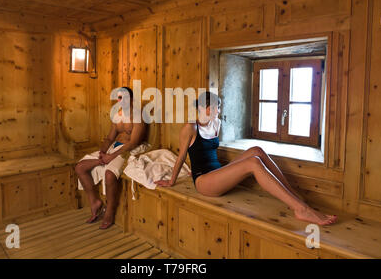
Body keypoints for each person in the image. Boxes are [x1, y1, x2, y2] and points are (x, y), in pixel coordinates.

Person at [155, 91, 337, 226]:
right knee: (253, 163)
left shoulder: (216, 123)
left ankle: (296, 200)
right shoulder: (190, 128)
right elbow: (181, 157)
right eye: (216, 107)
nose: (218, 111)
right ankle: (301, 209)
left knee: (256, 150)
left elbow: (209, 151)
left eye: (219, 107)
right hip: (204, 182)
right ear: (205, 108)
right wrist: (171, 181)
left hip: (218, 173)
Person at [75, 87, 146, 229]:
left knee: (109, 175)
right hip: (113, 147)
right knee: (80, 167)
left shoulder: (138, 116)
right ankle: (94, 201)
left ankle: (110, 211)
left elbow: (133, 142)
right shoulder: (118, 116)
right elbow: (109, 137)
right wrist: (102, 152)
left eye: (124, 98)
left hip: (128, 149)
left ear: (131, 99)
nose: (121, 101)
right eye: (119, 98)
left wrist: (112, 156)